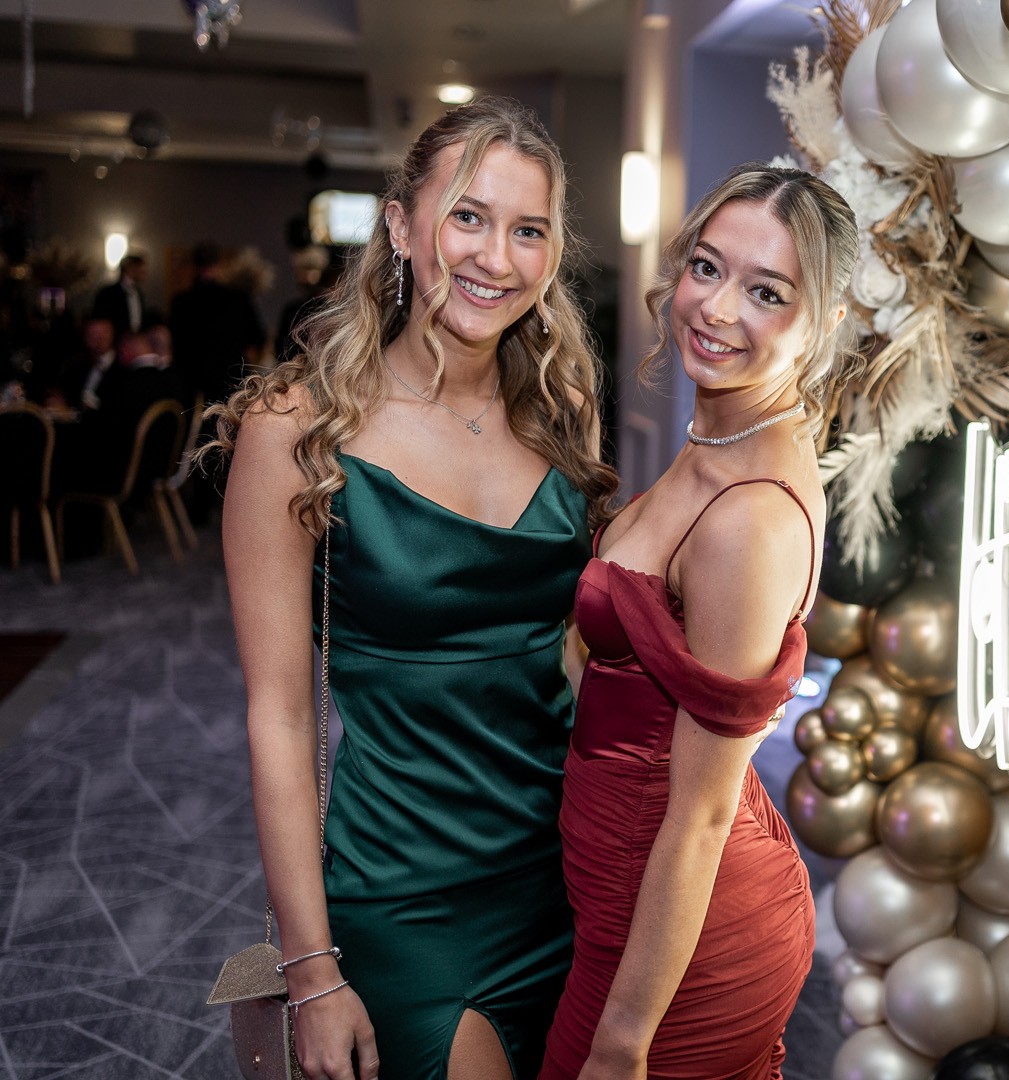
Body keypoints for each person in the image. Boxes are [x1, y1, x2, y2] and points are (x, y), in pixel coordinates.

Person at [208, 97, 616, 1080]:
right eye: (467, 216)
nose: (496, 258)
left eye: (528, 230)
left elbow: (574, 651)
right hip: (404, 890)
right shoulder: (296, 428)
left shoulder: (563, 408)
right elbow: (279, 715)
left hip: (568, 877)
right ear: (400, 225)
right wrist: (312, 972)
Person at [540, 164, 859, 1080]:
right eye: (707, 268)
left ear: (823, 323)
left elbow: (706, 812)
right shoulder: (717, 439)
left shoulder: (752, 517)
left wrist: (623, 1042)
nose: (716, 308)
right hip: (626, 890)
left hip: (687, 937)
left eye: (767, 292)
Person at [169, 241, 267, 406]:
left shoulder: (180, 302)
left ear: (194, 266)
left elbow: (176, 345)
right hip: (230, 379)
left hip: (191, 380)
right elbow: (257, 337)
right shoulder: (237, 298)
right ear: (218, 265)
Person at [90, 253, 153, 337]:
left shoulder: (139, 293)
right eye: (141, 269)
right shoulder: (108, 293)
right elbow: (102, 322)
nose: (145, 273)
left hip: (135, 340)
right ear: (130, 268)